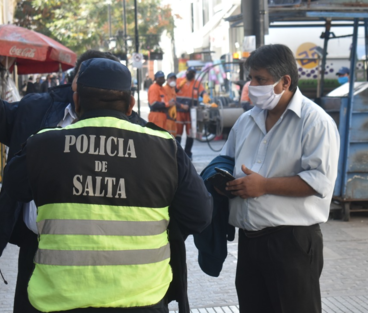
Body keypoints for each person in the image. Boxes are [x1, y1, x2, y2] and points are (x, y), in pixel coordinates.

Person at [3, 58, 212, 313]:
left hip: (59, 300)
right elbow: (200, 215)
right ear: (131, 105)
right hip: (142, 298)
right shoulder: (165, 147)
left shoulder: (44, 144)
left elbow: (14, 188)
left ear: (76, 101)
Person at [0, 50, 147, 313]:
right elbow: (14, 180)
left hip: (111, 261)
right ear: (75, 82)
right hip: (38, 252)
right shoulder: (38, 110)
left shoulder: (142, 135)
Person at [220, 44, 340, 313]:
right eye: (251, 78)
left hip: (292, 242)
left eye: (260, 79)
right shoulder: (246, 121)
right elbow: (226, 162)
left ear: (284, 81)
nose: (252, 85)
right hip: (250, 242)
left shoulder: (315, 122)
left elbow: (319, 181)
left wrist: (264, 185)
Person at [175, 66, 206, 159]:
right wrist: (180, 85)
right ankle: (177, 153)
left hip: (191, 112)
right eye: (190, 72)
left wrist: (205, 95)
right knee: (177, 134)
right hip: (179, 111)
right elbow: (172, 92)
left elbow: (202, 91)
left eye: (193, 73)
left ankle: (188, 153)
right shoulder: (179, 81)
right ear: (187, 72)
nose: (191, 74)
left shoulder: (196, 83)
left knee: (191, 133)